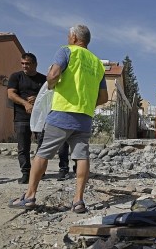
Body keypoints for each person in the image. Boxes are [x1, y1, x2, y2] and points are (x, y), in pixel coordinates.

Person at [9, 24, 108, 213]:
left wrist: (52, 85)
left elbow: (53, 74)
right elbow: (103, 98)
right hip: (85, 117)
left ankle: (29, 196)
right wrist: (86, 105)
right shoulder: (97, 63)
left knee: (43, 152)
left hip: (62, 112)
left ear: (73, 37)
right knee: (81, 156)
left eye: (68, 36)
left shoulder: (66, 51)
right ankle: (78, 201)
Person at [7, 53, 46, 184]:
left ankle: (39, 171)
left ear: (35, 64)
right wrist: (25, 103)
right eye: (22, 63)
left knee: (42, 145)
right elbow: (11, 94)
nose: (24, 66)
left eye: (27, 63)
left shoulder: (43, 79)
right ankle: (26, 173)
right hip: (21, 117)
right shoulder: (16, 77)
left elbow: (50, 95)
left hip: (40, 118)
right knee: (23, 147)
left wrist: (37, 99)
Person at [30, 81, 71, 180]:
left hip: (58, 118)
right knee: (43, 147)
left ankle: (62, 170)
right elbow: (40, 103)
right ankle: (41, 171)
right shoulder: (48, 85)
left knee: (61, 146)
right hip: (49, 119)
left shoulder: (65, 85)